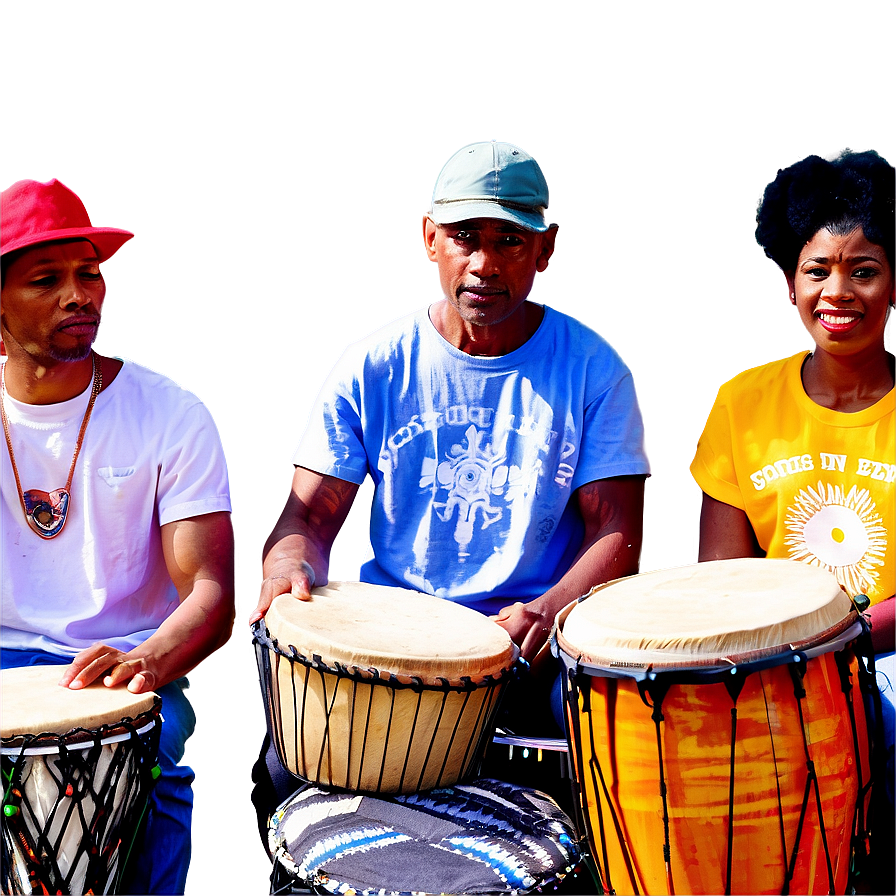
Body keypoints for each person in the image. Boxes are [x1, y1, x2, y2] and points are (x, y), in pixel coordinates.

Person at [251, 139, 649, 713]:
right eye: (466, 238)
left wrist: (551, 609)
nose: (484, 265)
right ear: (430, 238)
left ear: (546, 249)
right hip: (392, 637)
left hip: (528, 646)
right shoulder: (375, 365)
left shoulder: (593, 370)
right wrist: (289, 565)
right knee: (285, 762)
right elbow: (309, 514)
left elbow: (617, 529)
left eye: (509, 240)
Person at [1, 178, 235, 894]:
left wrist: (150, 663)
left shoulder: (170, 414)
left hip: (134, 659)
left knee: (155, 755)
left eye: (90, 275)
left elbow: (210, 589)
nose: (81, 296)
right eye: (48, 280)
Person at [690, 149, 894, 890]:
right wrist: (776, 650)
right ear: (790, 285)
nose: (839, 290)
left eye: (864, 269)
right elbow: (725, 573)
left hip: (882, 651)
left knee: (882, 716)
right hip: (770, 652)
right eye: (818, 270)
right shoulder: (741, 403)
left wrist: (842, 638)